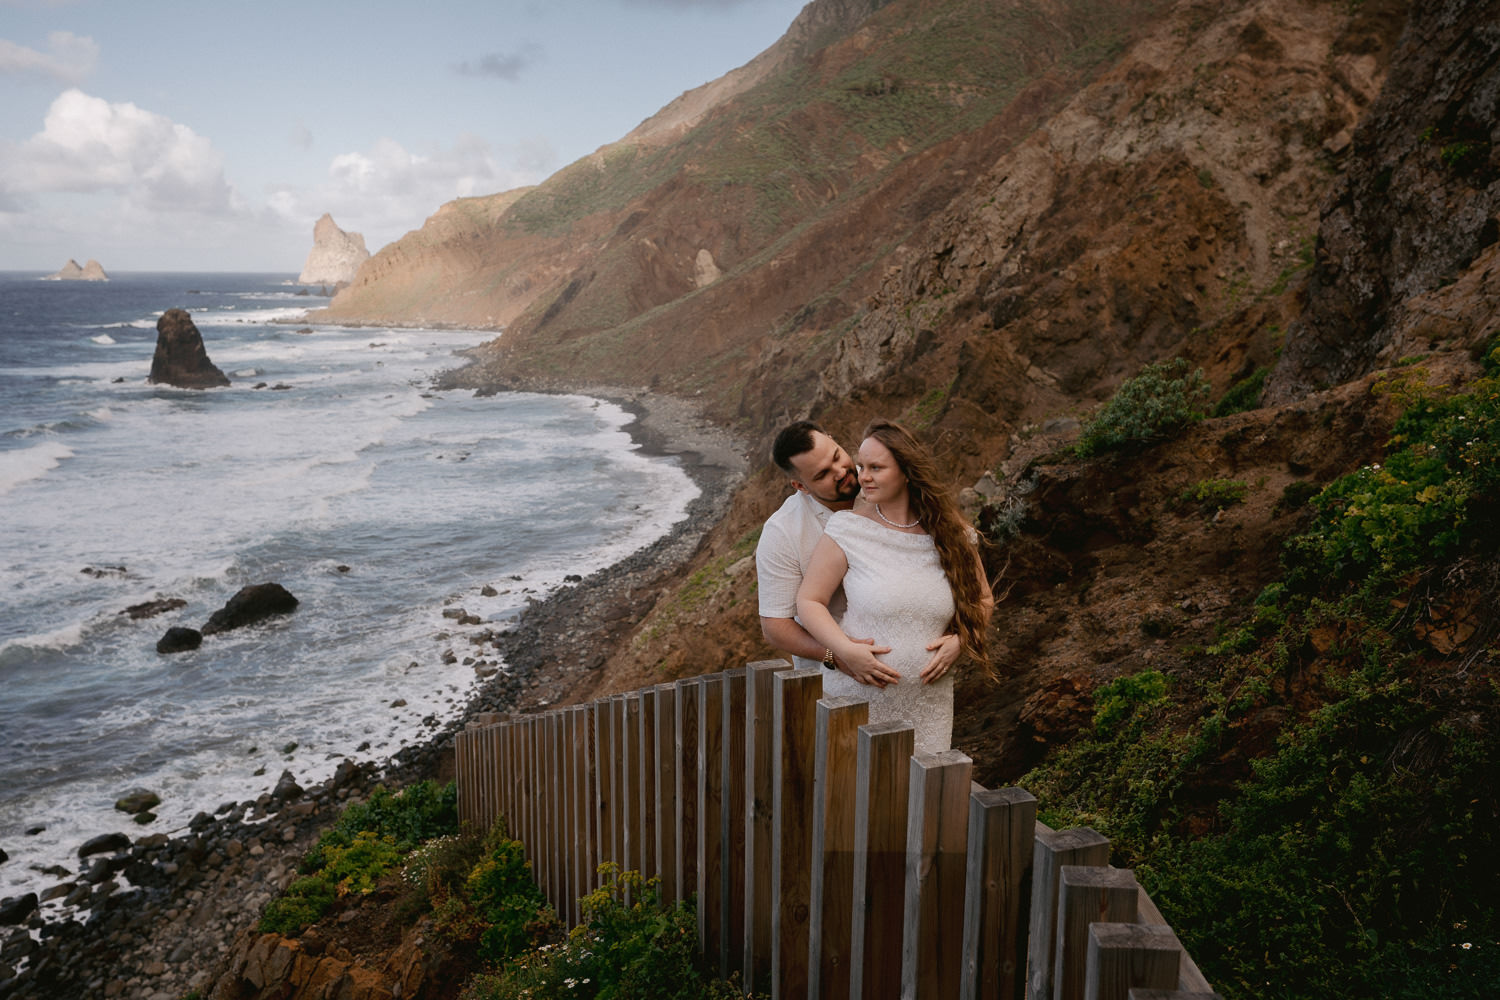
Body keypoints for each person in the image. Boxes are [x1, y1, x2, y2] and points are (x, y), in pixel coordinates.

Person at [796, 418, 992, 753]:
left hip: (929, 710)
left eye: (876, 467)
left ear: (905, 470)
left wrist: (962, 641)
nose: (863, 477)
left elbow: (983, 599)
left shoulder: (952, 534)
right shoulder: (849, 529)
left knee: (920, 800)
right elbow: (809, 601)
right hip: (854, 702)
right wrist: (844, 650)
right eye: (861, 466)